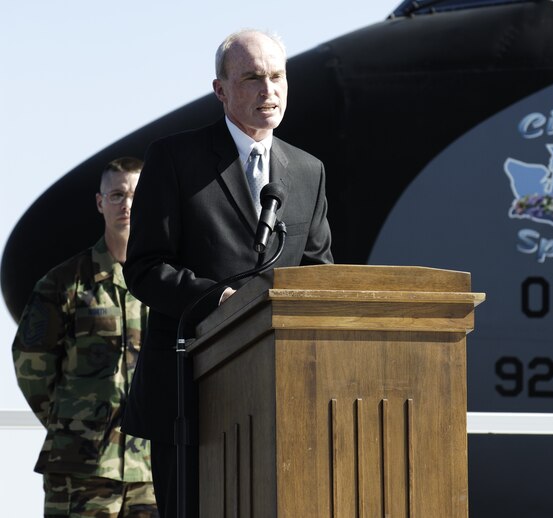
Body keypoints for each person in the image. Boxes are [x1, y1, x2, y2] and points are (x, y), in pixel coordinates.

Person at [121, 29, 333, 517]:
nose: (269, 91)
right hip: (190, 393)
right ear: (221, 90)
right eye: (253, 78)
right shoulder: (175, 158)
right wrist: (220, 302)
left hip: (281, 398)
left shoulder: (307, 171)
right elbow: (145, 268)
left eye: (277, 76)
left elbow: (319, 277)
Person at [12, 157, 158, 517]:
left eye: (135, 195)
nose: (126, 205)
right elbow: (32, 365)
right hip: (81, 466)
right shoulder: (64, 283)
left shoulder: (166, 283)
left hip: (151, 470)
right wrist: (72, 422)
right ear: (100, 202)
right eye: (117, 195)